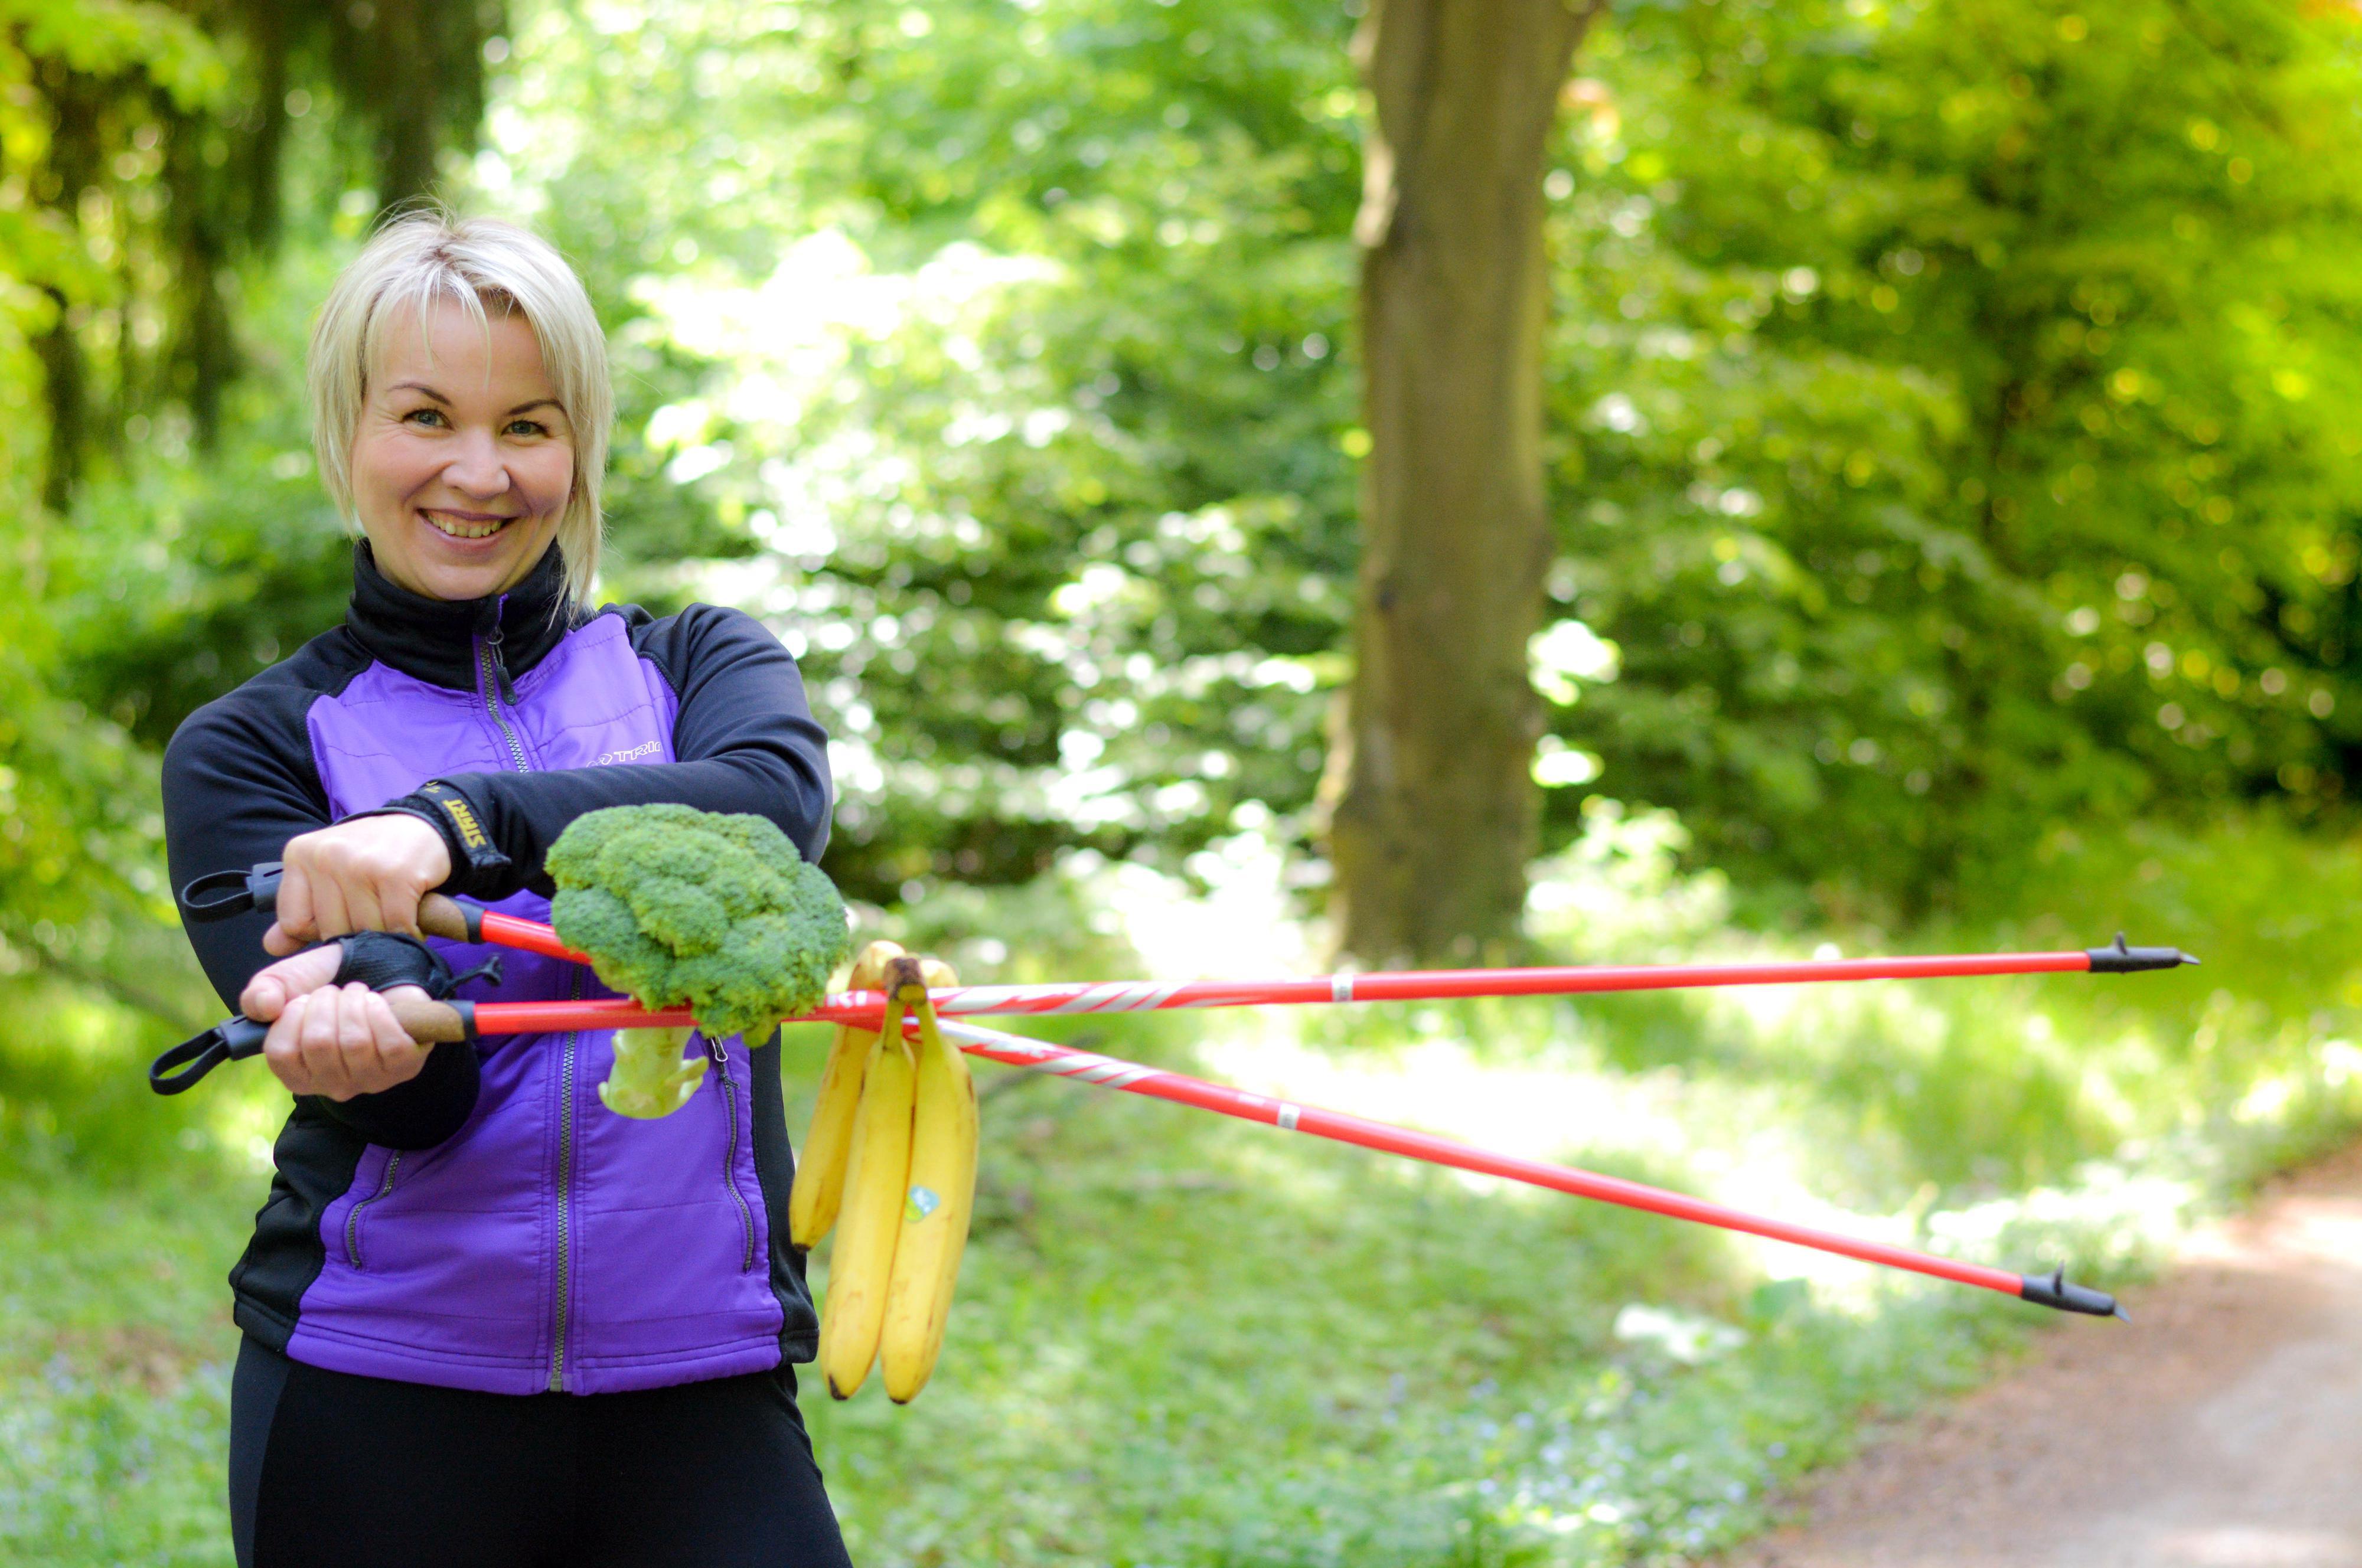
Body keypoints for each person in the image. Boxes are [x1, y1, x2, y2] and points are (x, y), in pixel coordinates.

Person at [162, 211, 854, 1568]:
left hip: (701, 1380)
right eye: (425, 415)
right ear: (349, 434)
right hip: (377, 1384)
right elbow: (419, 1097)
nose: (478, 473)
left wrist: (454, 823)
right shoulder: (251, 744)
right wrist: (361, 1027)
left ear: (578, 447)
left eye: (528, 425)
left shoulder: (698, 662)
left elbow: (773, 804)